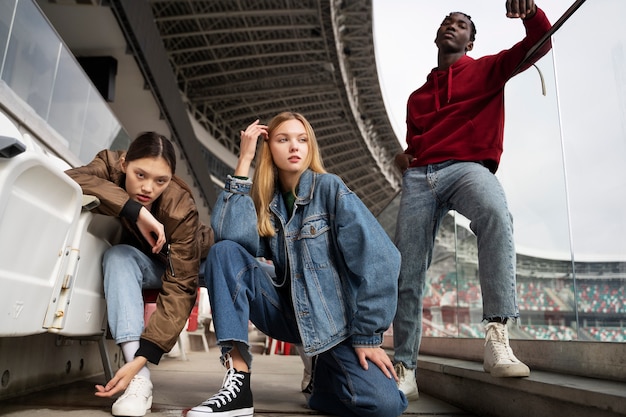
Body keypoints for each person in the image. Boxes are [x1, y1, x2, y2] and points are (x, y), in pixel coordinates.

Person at [187, 112, 408, 417]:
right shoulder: (268, 202)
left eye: (302, 139)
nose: (295, 146)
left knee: (385, 406)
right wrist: (244, 160)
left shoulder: (329, 189)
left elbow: (383, 259)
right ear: (269, 149)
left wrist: (368, 336)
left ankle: (325, 379)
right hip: (288, 315)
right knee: (224, 252)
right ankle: (238, 382)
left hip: (336, 325)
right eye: (283, 139)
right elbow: (229, 239)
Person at [391, 1, 553, 400]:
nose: (452, 25)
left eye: (461, 24)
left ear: (470, 40)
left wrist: (530, 12)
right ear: (437, 36)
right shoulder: (416, 97)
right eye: (447, 21)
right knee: (407, 268)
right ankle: (405, 367)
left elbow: (541, 42)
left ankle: (497, 336)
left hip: (467, 168)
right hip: (420, 176)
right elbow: (416, 144)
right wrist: (406, 158)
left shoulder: (487, 69)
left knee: (496, 212)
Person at [66, 132, 213, 416]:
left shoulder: (180, 206)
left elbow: (181, 285)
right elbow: (71, 177)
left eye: (161, 181)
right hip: (152, 260)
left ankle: (317, 363)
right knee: (118, 256)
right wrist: (135, 210)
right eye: (140, 174)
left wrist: (149, 351)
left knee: (266, 278)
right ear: (124, 163)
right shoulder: (109, 163)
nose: (148, 188)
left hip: (202, 260)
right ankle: (140, 381)